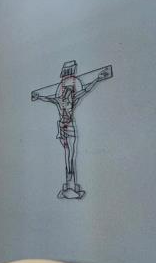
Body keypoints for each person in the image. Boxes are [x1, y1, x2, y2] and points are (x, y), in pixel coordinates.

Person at [31, 61, 112, 199]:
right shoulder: (59, 100)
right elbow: (47, 98)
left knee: (72, 155)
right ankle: (69, 181)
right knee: (67, 154)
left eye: (69, 91)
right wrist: (38, 97)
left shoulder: (72, 99)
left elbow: (86, 90)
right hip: (63, 129)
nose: (67, 94)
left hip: (70, 128)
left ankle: (71, 181)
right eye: (66, 91)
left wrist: (98, 79)